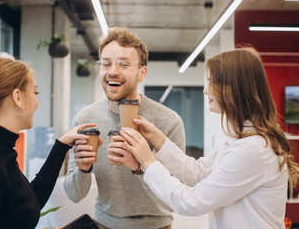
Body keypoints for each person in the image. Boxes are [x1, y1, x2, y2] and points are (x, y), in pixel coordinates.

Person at [116, 47, 299, 229]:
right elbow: (197, 172)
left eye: (212, 82)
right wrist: (156, 137)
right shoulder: (238, 139)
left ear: (234, 88)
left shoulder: (253, 148)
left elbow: (191, 202)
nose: (205, 90)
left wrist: (148, 162)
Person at [0, 57, 96, 229]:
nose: (37, 102)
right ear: (18, 97)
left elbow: (28, 203)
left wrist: (62, 146)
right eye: (35, 93)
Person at [64, 27, 186, 229]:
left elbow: (176, 198)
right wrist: (83, 170)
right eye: (106, 63)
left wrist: (140, 167)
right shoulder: (85, 119)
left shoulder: (168, 121)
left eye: (123, 64)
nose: (113, 71)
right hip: (103, 224)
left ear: (142, 73)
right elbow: (73, 195)